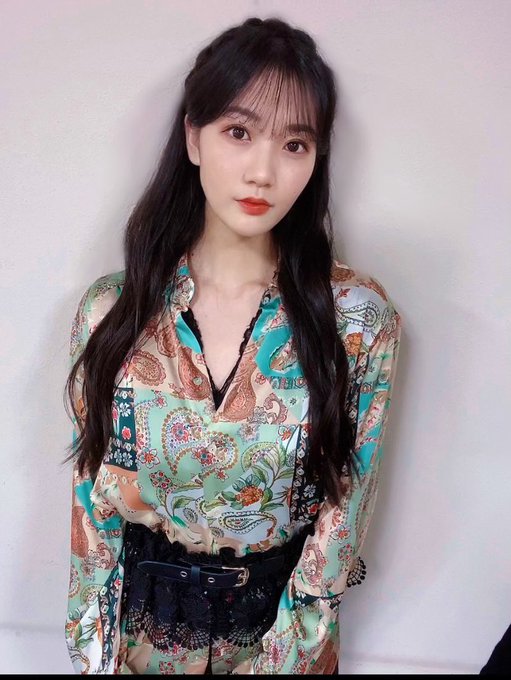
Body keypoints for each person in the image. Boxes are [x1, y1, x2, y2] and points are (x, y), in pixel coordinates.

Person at [63, 16, 402, 675]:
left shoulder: (357, 321)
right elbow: (91, 516)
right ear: (194, 136)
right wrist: (97, 661)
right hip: (140, 647)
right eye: (239, 133)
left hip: (284, 648)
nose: (262, 171)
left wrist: (282, 662)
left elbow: (343, 516)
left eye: (295, 144)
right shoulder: (111, 313)